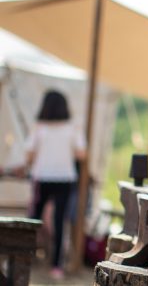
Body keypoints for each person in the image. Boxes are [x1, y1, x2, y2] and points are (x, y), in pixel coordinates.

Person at [24, 90, 86, 279]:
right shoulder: (72, 127)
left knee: (32, 220)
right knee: (60, 223)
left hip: (41, 178)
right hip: (64, 178)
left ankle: (24, 257)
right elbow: (82, 153)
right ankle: (56, 266)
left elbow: (28, 155)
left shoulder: (39, 127)